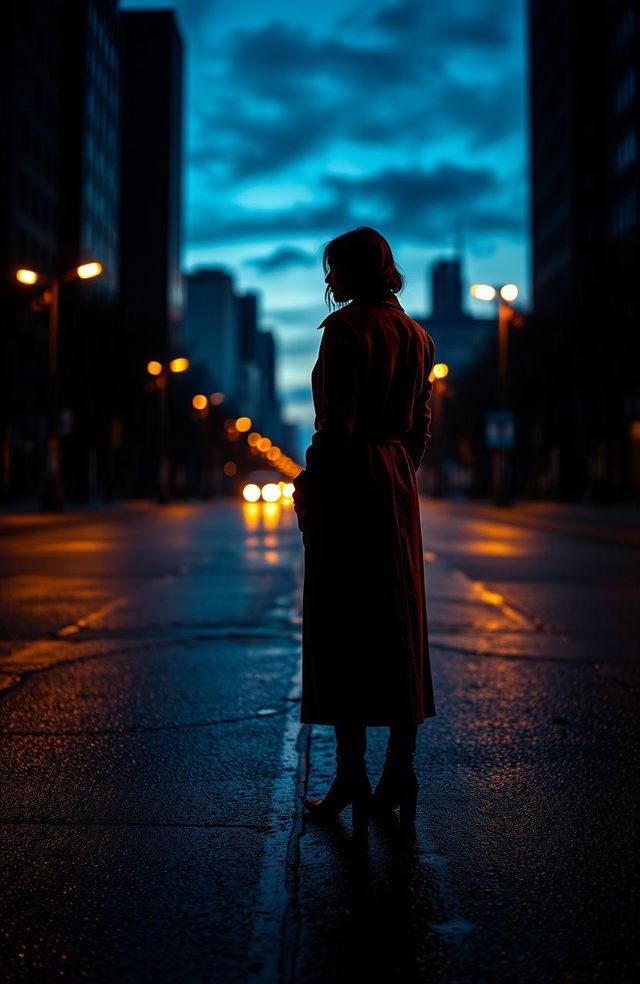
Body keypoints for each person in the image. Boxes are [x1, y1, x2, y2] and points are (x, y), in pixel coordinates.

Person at [292, 227, 437, 831]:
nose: (329, 281)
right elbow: (420, 425)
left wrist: (313, 487)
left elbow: (336, 425)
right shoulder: (417, 335)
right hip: (396, 478)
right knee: (400, 620)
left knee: (342, 620)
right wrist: (399, 474)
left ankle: (350, 772)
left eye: (334, 270)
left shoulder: (347, 330)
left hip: (352, 479)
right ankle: (399, 769)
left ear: (351, 272)